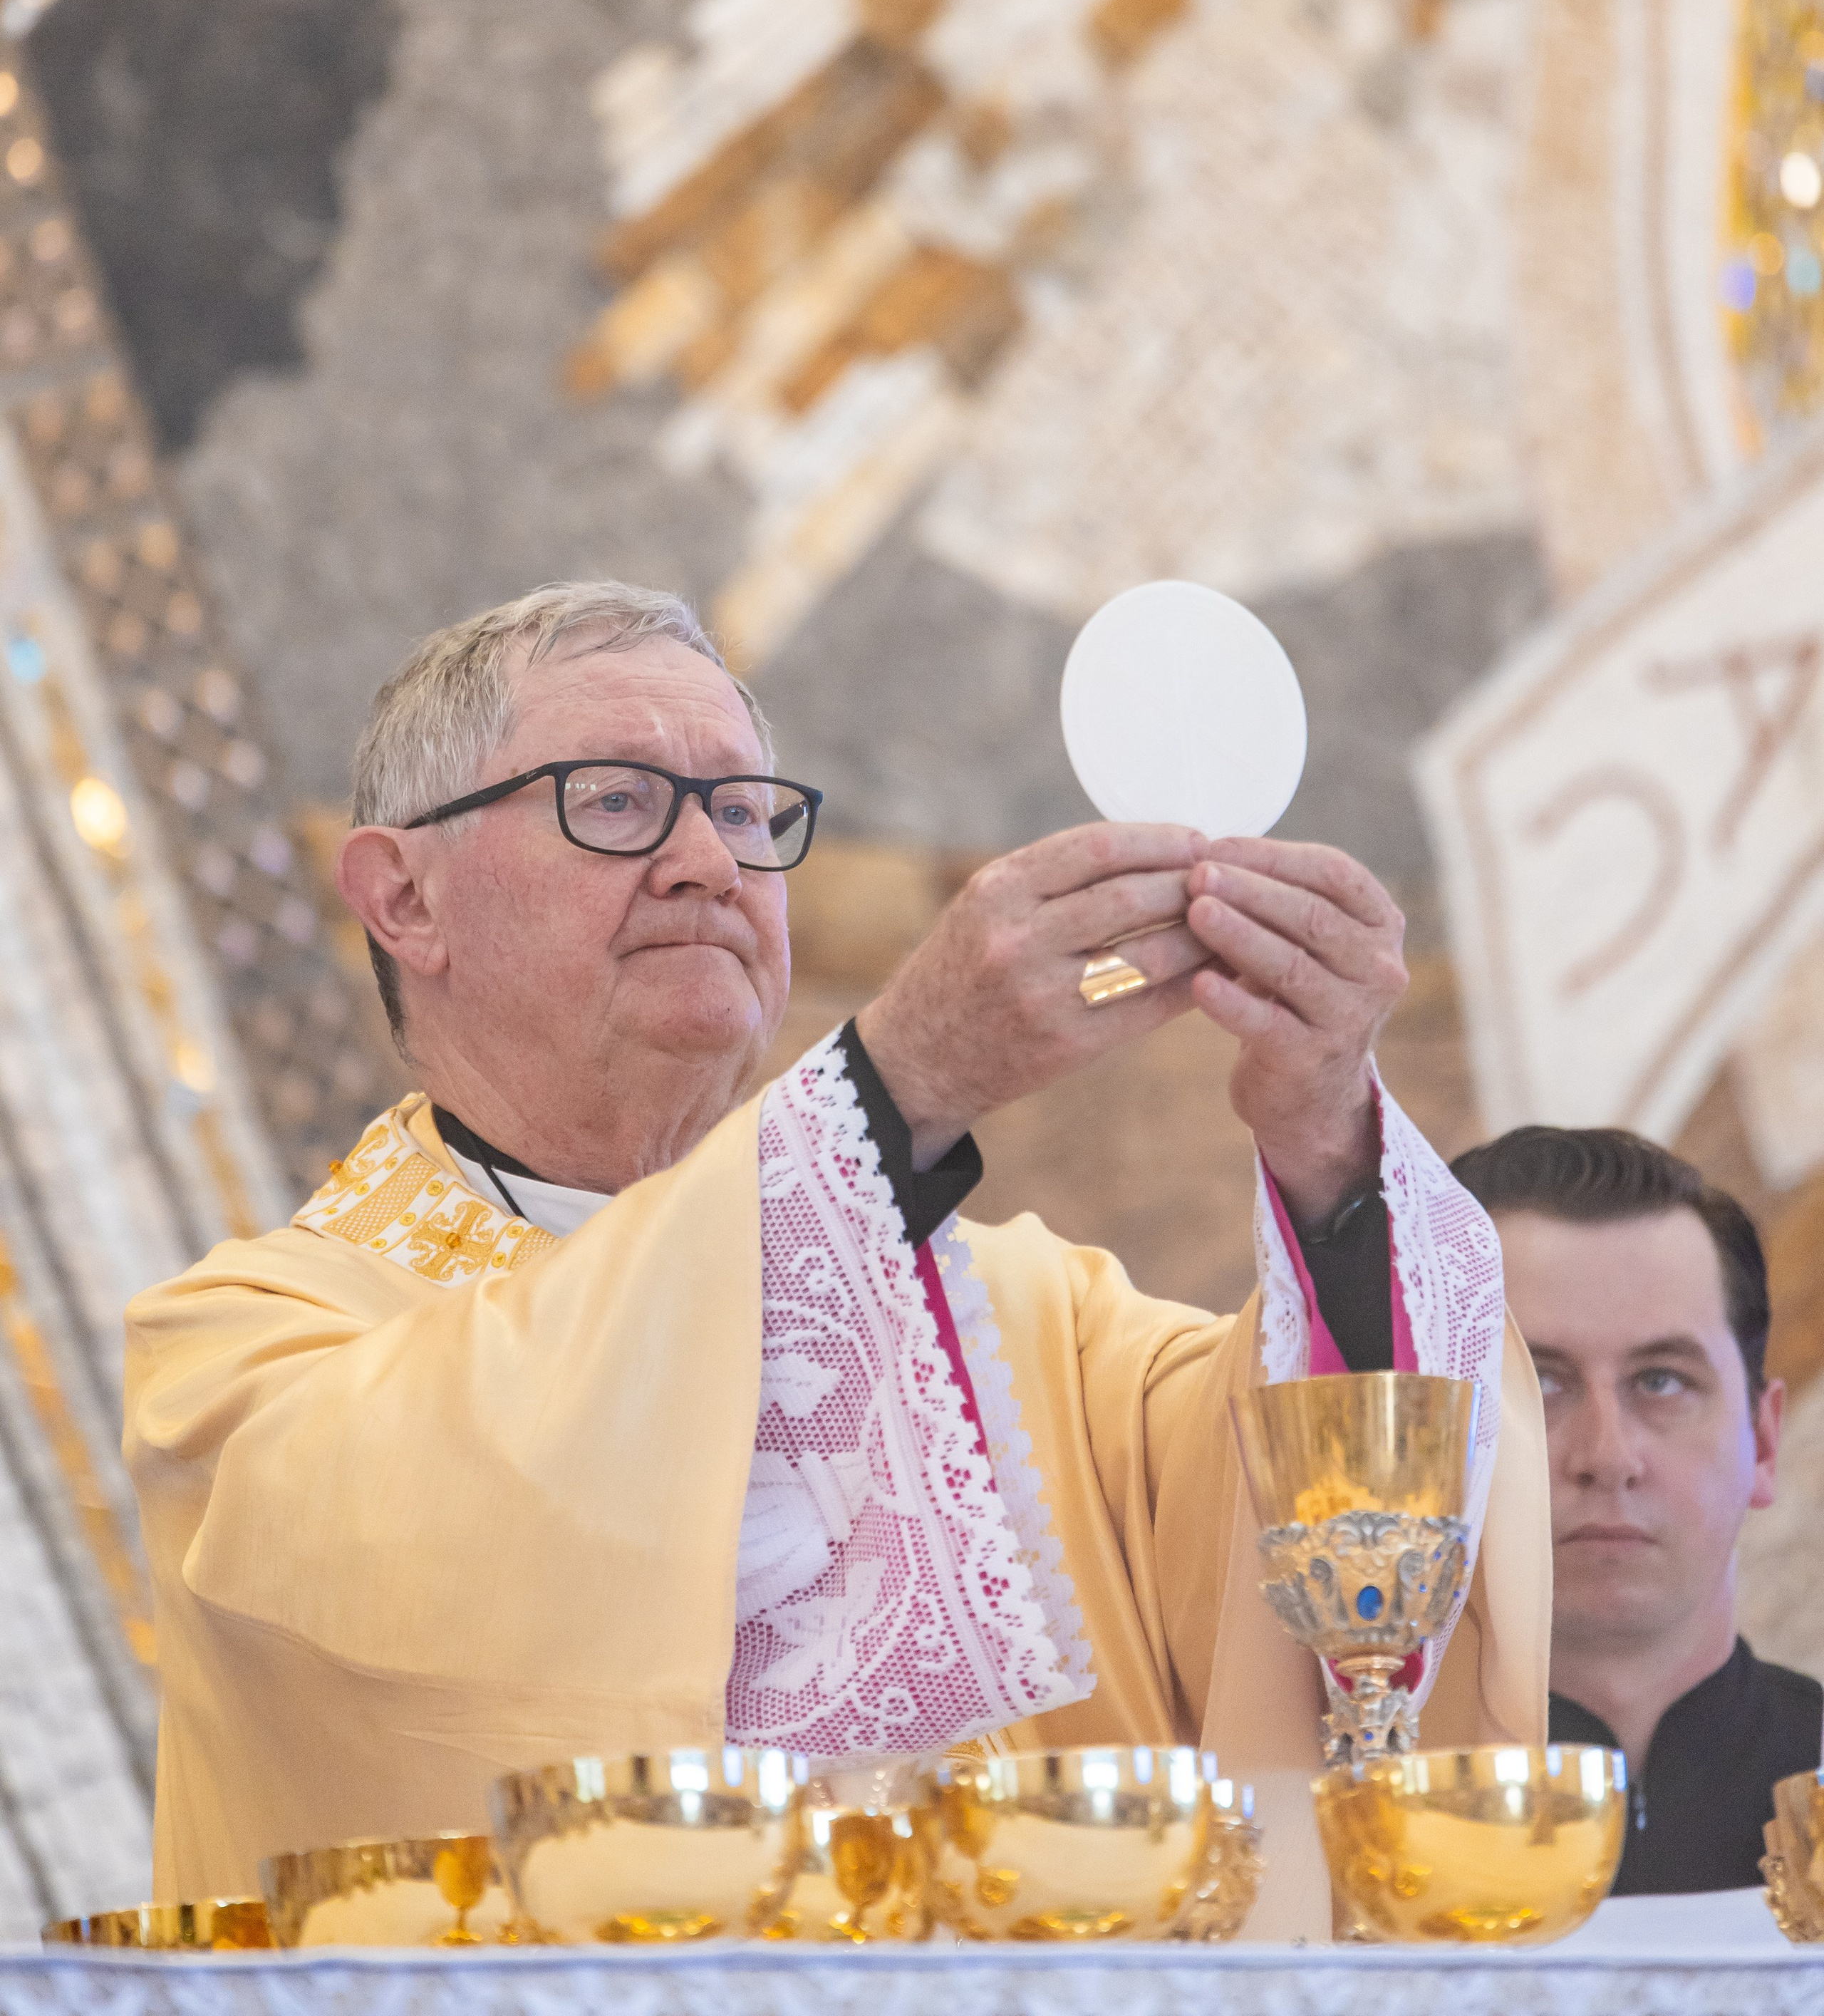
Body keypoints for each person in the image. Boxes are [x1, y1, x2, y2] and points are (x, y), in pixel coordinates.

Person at [126, 580, 1547, 1913]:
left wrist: (1325, 1147)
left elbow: (1326, 1565)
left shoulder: (1033, 1324)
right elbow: (436, 1532)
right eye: (615, 802)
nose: (704, 863)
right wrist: (891, 1088)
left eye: (746, 815)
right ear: (402, 899)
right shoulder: (241, 1360)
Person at [1451, 1123, 1822, 1894]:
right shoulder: (1321, 1827)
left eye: (1660, 1381)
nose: (1607, 1456)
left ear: (1760, 1441)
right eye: (1538, 1384)